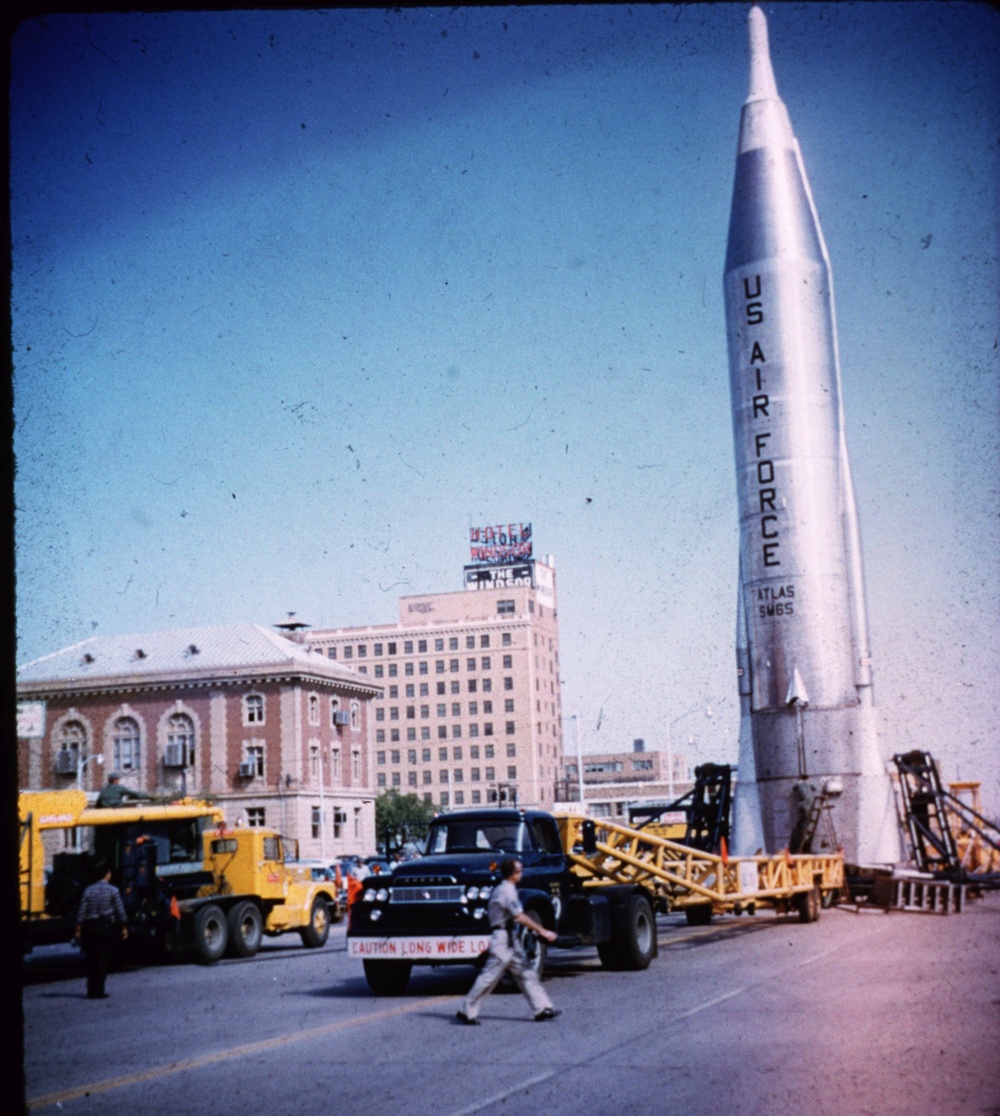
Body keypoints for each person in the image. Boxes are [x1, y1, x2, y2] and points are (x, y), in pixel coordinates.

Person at [456, 858, 560, 1025]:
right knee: (490, 977)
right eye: (519, 870)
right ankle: (466, 1010)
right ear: (512, 874)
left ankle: (541, 1008)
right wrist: (543, 931)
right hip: (502, 939)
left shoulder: (507, 889)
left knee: (527, 973)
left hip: (510, 938)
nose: (522, 873)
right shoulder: (506, 891)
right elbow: (519, 916)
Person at [75, 862, 128, 999]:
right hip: (105, 926)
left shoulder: (88, 890)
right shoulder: (113, 890)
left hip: (90, 927)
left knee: (91, 958)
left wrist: (78, 929)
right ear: (107, 875)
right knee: (103, 959)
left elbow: (81, 912)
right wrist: (123, 927)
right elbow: (120, 911)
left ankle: (91, 990)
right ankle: (99, 990)